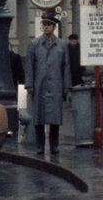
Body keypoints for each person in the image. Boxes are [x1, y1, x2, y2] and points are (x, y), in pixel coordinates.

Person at [25, 15, 72, 154]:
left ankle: (54, 145)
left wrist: (66, 86)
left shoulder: (62, 45)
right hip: (40, 86)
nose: (46, 27)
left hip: (56, 86)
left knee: (55, 118)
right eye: (44, 24)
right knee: (39, 117)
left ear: (54, 27)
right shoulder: (34, 44)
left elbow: (66, 66)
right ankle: (40, 145)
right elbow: (29, 66)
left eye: (49, 25)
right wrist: (30, 85)